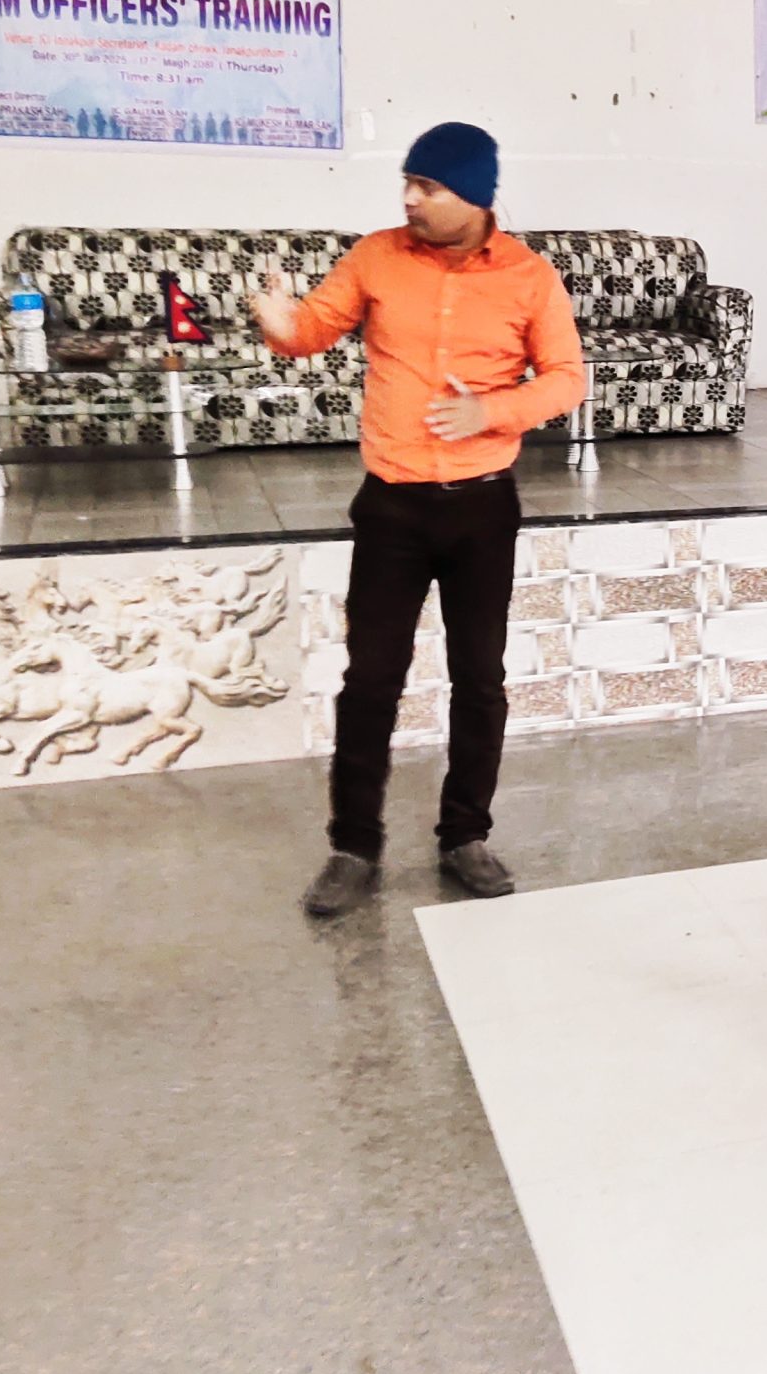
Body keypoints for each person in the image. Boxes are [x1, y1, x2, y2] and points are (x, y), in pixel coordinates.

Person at [251, 122, 585, 918]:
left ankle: (465, 835)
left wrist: (491, 412)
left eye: (427, 186)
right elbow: (310, 333)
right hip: (392, 507)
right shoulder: (376, 256)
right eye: (407, 182)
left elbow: (567, 377)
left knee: (480, 680)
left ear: (472, 193)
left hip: (482, 508)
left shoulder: (528, 276)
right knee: (370, 680)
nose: (409, 198)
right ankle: (352, 848)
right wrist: (279, 321)